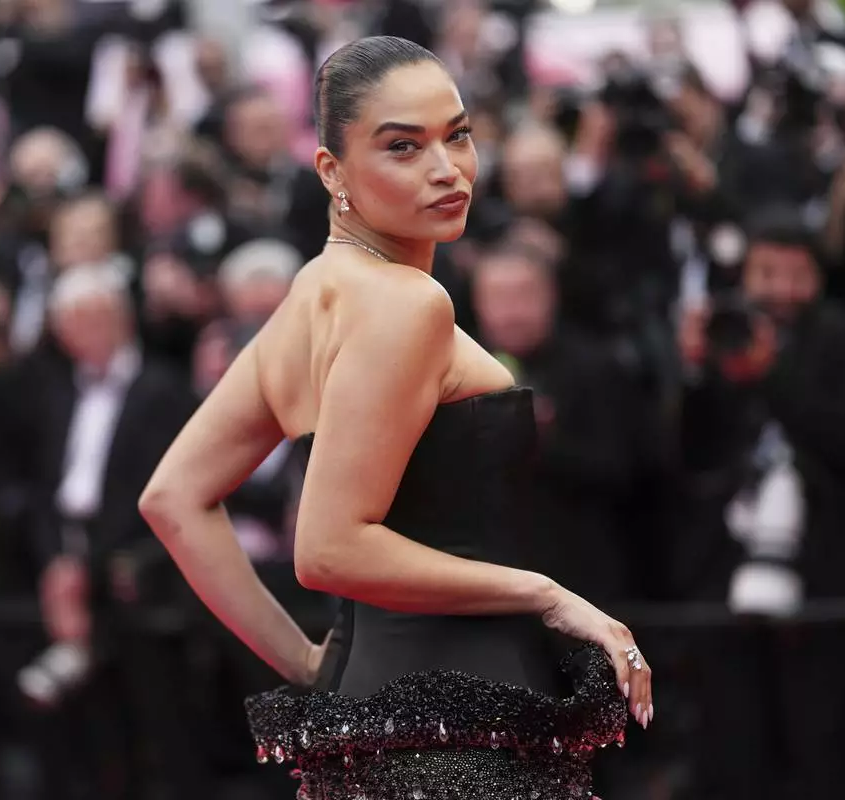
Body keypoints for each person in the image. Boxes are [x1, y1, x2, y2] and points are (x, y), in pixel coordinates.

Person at [139, 36, 650, 799]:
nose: (446, 169)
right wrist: (545, 593)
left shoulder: (314, 293)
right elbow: (329, 548)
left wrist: (310, 662)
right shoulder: (409, 304)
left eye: (459, 134)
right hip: (457, 728)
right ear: (331, 173)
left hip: (371, 706)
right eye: (403, 147)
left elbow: (172, 499)